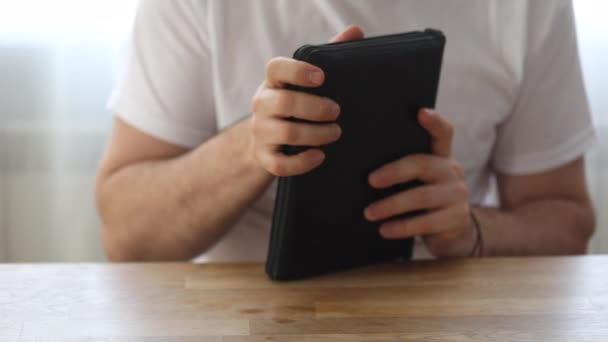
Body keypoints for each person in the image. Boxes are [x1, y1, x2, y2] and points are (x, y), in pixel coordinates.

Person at [96, 0, 596, 262]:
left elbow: (568, 222)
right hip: (240, 318)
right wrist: (250, 148)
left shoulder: (530, 5)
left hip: (441, 314)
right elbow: (127, 237)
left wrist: (470, 232)